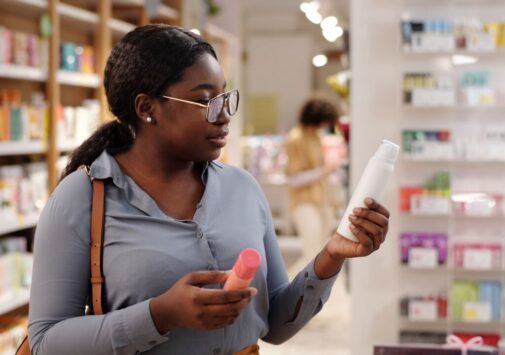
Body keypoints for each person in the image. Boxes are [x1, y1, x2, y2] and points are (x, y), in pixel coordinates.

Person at [28, 25, 390, 355]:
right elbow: (46, 342)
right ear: (147, 108)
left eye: (224, 97)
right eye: (204, 101)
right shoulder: (83, 197)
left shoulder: (242, 188)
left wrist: (332, 255)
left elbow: (276, 325)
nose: (223, 114)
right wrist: (159, 315)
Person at [284, 95, 344, 276]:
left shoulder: (316, 136)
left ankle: (307, 293)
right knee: (311, 254)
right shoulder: (296, 139)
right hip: (304, 202)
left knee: (319, 252)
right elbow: (293, 179)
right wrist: (324, 171)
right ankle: (292, 292)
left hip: (321, 201)